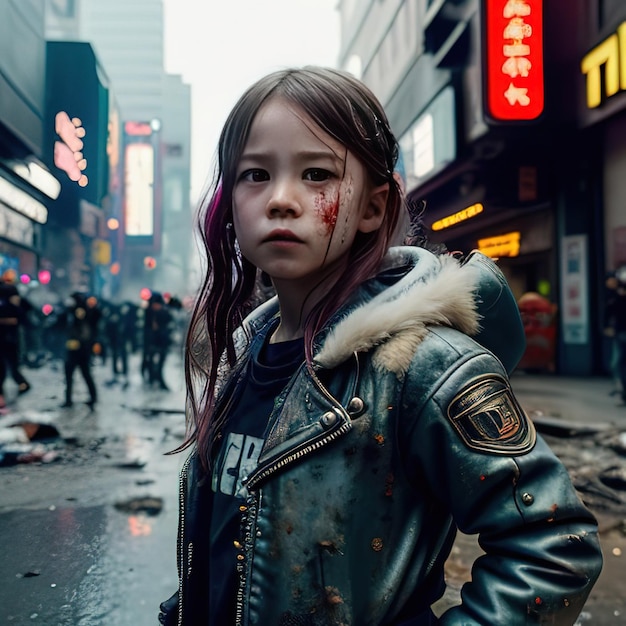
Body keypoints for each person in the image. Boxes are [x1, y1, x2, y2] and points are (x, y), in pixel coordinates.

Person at [159, 67, 602, 626]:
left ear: (373, 207)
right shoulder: (245, 355)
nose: (280, 199)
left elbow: (556, 545)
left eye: (317, 173)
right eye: (254, 174)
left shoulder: (424, 365)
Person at [59, 291, 100, 410]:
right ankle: (69, 399)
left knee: (84, 373)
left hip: (80, 349)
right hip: (74, 348)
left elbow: (84, 330)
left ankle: (91, 397)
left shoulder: (80, 312)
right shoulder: (72, 312)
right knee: (71, 374)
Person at [0, 280, 31, 409]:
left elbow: (23, 315)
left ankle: (22, 383)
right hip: (5, 339)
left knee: (12, 367)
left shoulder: (10, 296)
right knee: (3, 368)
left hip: (10, 339)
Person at [142, 292, 173, 390]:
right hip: (151, 341)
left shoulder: (164, 313)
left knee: (161, 363)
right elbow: (146, 328)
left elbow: (168, 327)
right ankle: (151, 379)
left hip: (162, 341)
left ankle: (159, 380)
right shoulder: (148, 313)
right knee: (150, 361)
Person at [604, 265, 626, 404]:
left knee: (618, 363)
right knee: (617, 363)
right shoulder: (611, 295)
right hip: (619, 332)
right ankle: (622, 391)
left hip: (623, 331)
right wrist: (606, 326)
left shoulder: (621, 294)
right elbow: (608, 312)